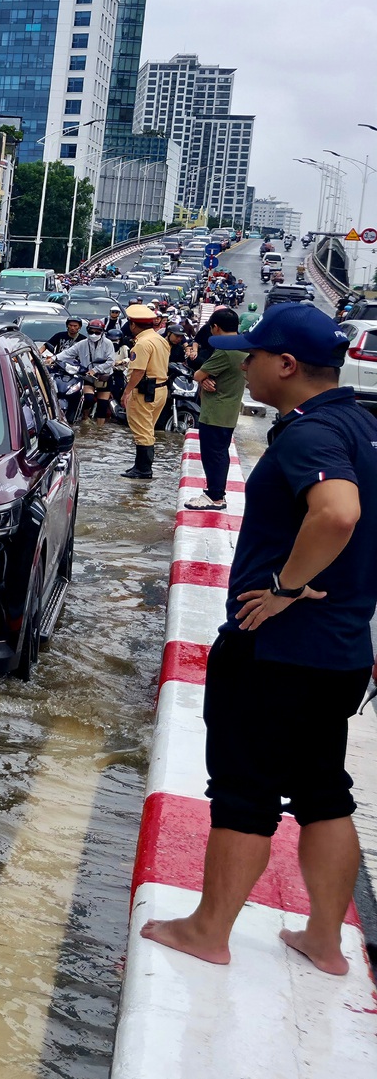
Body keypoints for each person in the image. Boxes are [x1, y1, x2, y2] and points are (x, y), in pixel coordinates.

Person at [140, 304, 377, 976]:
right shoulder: (364, 425)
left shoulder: (309, 436)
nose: (244, 366)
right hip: (341, 650)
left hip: (277, 648)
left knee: (243, 790)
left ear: (287, 364)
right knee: (323, 790)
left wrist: (286, 586)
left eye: (253, 356)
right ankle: (325, 941)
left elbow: (338, 513)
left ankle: (208, 929)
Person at [187, 307, 245, 511]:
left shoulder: (225, 350)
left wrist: (203, 379)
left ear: (216, 327)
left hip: (216, 410)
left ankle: (215, 496)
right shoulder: (243, 345)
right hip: (229, 407)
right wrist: (206, 380)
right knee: (220, 452)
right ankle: (216, 492)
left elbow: (198, 375)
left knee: (213, 454)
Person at [120, 303, 173, 478]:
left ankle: (143, 469)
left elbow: (138, 371)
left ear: (133, 325)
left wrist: (127, 391)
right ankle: (141, 466)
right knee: (148, 429)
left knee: (142, 431)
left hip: (144, 391)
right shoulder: (160, 339)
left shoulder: (142, 344)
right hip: (160, 390)